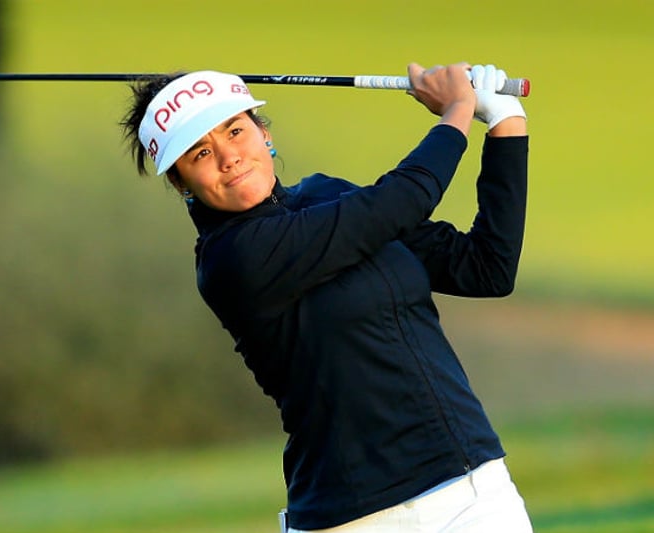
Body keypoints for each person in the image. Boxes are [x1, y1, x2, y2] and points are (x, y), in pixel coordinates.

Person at [120, 63, 532, 532]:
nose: (228, 157)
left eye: (235, 131)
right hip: (351, 517)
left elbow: (486, 269)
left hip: (471, 492)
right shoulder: (231, 259)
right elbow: (401, 200)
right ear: (180, 182)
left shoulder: (328, 196)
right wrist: (457, 110)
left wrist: (504, 121)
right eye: (200, 153)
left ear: (263, 132)